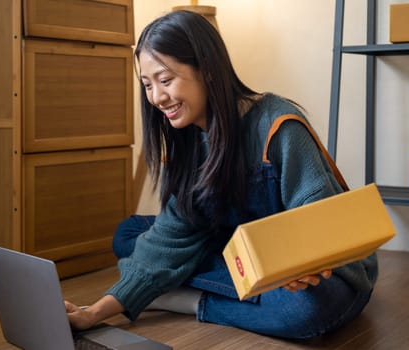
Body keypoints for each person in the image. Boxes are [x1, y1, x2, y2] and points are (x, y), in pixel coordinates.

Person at [65, 10, 377, 340]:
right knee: (127, 235)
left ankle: (186, 299)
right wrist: (93, 313)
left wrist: (302, 264)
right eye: (147, 84)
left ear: (208, 70)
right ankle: (184, 285)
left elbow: (322, 224)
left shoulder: (277, 127)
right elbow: (174, 230)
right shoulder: (188, 140)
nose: (156, 97)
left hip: (311, 270)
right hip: (235, 253)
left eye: (166, 80)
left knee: (302, 309)